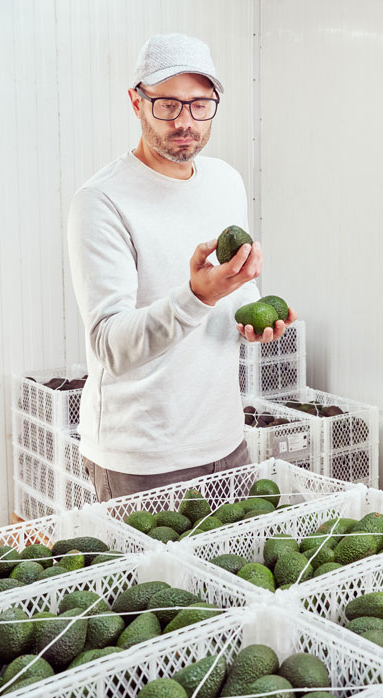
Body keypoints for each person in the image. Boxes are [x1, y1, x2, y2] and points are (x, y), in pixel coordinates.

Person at [66, 33, 296, 501]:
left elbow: (238, 295)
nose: (185, 122)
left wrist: (252, 322)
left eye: (199, 104)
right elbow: (110, 344)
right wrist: (198, 296)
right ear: (136, 102)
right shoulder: (101, 202)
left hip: (224, 441)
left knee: (238, 574)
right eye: (168, 105)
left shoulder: (226, 182)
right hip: (141, 457)